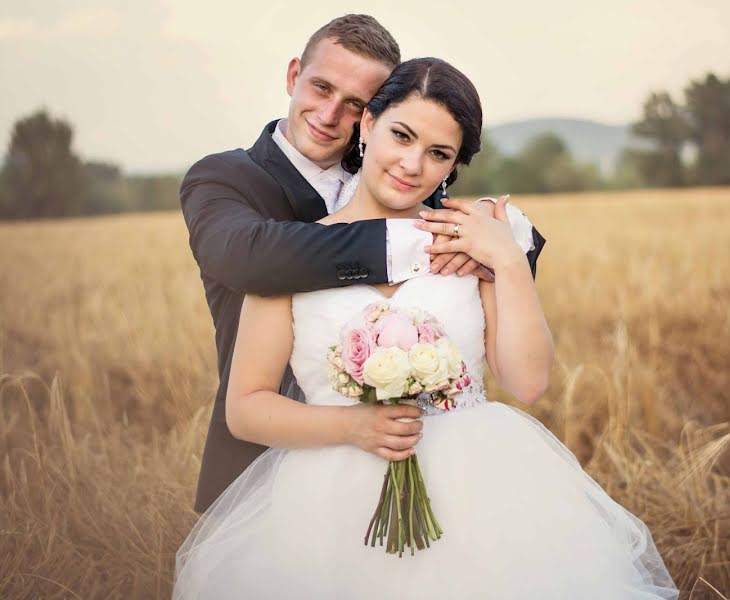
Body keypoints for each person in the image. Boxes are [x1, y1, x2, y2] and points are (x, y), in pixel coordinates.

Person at [173, 57, 678, 600]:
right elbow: (246, 407)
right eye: (401, 135)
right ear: (368, 125)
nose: (412, 164)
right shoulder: (289, 258)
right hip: (329, 509)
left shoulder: (472, 244)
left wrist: (507, 259)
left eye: (438, 154)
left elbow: (528, 382)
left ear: (453, 167)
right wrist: (353, 428)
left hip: (480, 496)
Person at [180, 14, 545, 513]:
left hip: (458, 478)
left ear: (369, 114)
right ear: (293, 76)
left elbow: (521, 366)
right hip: (282, 467)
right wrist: (421, 242)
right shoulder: (225, 178)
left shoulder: (406, 171)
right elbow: (251, 258)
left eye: (353, 103)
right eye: (321, 87)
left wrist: (503, 242)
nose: (331, 114)